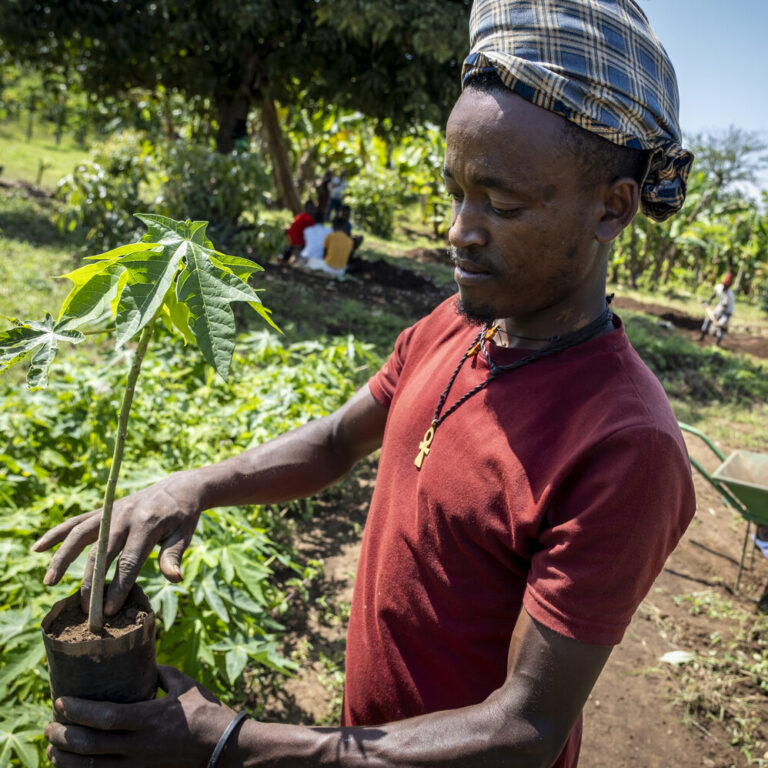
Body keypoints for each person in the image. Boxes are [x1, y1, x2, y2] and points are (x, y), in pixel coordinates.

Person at [37, 2, 697, 766]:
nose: (459, 230)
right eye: (454, 191)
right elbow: (332, 442)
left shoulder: (626, 444)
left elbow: (524, 729)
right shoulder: (458, 320)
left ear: (611, 208)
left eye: (501, 204)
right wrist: (191, 486)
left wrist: (229, 744)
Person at [698, 271, 735, 346]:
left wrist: (716, 320)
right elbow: (714, 295)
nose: (725, 287)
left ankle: (717, 344)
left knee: (720, 326)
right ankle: (701, 337)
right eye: (725, 285)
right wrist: (708, 302)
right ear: (723, 283)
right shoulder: (718, 287)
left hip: (727, 311)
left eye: (727, 286)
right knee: (707, 320)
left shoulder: (730, 295)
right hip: (720, 307)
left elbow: (724, 308)